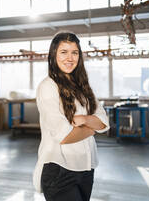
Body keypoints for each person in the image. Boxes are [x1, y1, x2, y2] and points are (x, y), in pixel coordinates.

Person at [33, 31, 110, 201]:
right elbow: (65, 135)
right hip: (59, 170)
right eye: (63, 52)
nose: (70, 58)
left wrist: (83, 121)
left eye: (74, 52)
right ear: (53, 55)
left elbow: (104, 122)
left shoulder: (83, 86)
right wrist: (92, 129)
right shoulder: (48, 87)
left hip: (86, 168)